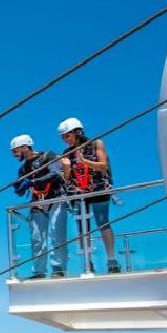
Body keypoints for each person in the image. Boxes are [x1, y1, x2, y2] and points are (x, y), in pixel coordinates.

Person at [57, 117, 119, 273]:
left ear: (77, 132)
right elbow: (66, 179)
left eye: (68, 136)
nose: (66, 140)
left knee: (103, 222)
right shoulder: (66, 153)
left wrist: (84, 161)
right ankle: (87, 262)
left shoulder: (96, 144)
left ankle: (112, 260)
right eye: (63, 137)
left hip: (98, 189)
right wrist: (66, 168)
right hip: (78, 193)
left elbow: (103, 166)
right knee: (82, 229)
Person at [10, 134, 69, 279]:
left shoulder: (47, 156)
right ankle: (39, 271)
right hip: (38, 202)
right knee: (37, 239)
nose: (14, 155)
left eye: (15, 151)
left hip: (56, 199)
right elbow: (21, 189)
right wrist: (19, 187)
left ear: (25, 147)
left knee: (57, 235)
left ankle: (58, 269)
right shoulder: (23, 169)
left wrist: (32, 182)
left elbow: (55, 174)